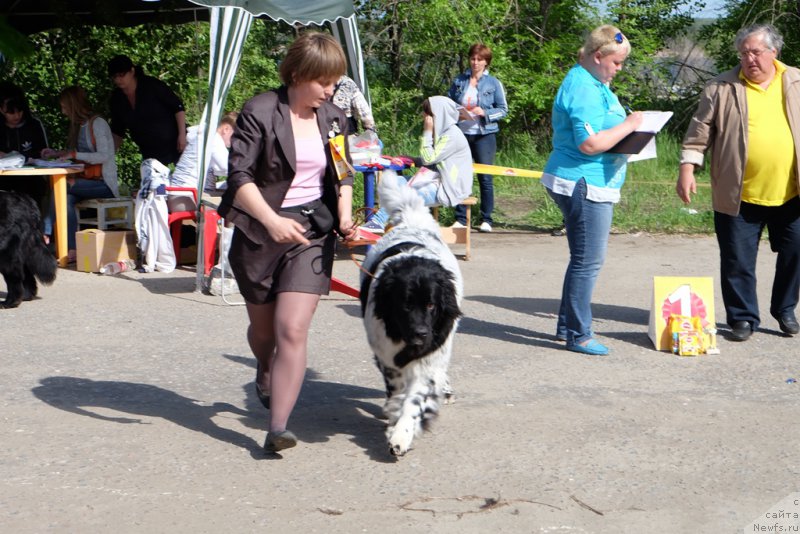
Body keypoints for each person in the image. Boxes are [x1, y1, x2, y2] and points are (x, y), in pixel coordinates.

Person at [216, 31, 357, 454]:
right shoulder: (260, 110)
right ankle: (264, 365)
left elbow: (343, 172)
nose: (331, 91)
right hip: (260, 230)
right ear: (298, 74)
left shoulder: (333, 118)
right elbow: (239, 179)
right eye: (324, 82)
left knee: (291, 328)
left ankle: (277, 427)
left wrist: (346, 215)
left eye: (334, 82)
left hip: (311, 233)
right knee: (265, 334)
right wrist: (271, 221)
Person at [677, 23, 800, 342]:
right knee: (737, 259)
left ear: (775, 52)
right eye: (744, 53)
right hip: (738, 193)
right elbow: (698, 132)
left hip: (792, 192)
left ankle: (785, 308)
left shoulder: (796, 81)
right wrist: (687, 169)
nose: (749, 59)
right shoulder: (720, 87)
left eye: (756, 52)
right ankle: (743, 318)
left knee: (796, 250)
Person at [541, 25, 643, 356]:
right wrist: (630, 127)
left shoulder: (593, 81)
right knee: (587, 261)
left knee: (582, 259)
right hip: (583, 182)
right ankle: (578, 334)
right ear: (598, 57)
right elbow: (589, 143)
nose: (620, 68)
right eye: (617, 62)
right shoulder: (583, 88)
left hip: (589, 180)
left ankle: (566, 327)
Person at [360, 96, 473, 233]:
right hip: (438, 180)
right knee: (395, 182)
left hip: (450, 188)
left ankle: (380, 222)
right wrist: (413, 159)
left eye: (426, 112)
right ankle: (388, 223)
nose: (423, 115)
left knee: (407, 193)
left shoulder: (452, 135)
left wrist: (427, 132)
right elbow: (437, 159)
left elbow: (428, 159)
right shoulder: (444, 132)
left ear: (436, 115)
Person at [41, 86, 118, 261]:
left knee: (63, 186)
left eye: (65, 107)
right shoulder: (79, 126)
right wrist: (58, 153)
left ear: (73, 105)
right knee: (65, 199)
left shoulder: (97, 123)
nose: (63, 111)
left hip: (103, 184)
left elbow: (104, 155)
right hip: (85, 182)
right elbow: (77, 154)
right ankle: (72, 249)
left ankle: (45, 232)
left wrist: (74, 155)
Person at [448, 43, 508, 233]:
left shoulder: (494, 83)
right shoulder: (459, 81)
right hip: (461, 134)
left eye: (479, 59)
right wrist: (456, 113)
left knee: (485, 177)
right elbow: (448, 103)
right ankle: (460, 217)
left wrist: (485, 112)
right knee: (458, 175)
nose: (475, 62)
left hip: (484, 135)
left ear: (486, 62)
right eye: (473, 58)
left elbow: (504, 110)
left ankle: (486, 219)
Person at [107, 54, 187, 166]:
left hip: (176, 145)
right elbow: (118, 131)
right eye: (115, 76)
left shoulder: (152, 85)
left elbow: (178, 107)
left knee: (182, 181)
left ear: (132, 71)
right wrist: (108, 158)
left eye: (122, 75)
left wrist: (182, 135)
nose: (119, 79)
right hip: (150, 152)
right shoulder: (117, 99)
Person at [167, 111, 238, 212]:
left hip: (179, 195)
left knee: (232, 196)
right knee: (238, 202)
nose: (235, 142)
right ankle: (227, 228)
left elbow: (219, 170)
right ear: (226, 129)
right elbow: (229, 168)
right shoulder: (213, 139)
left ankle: (223, 228)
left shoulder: (205, 136)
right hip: (185, 197)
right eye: (235, 137)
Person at [0, 82, 51, 215]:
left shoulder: (34, 125)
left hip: (31, 184)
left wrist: (42, 154)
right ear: (1, 110)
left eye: (20, 110)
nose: (16, 116)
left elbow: (44, 153)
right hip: (4, 184)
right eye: (10, 112)